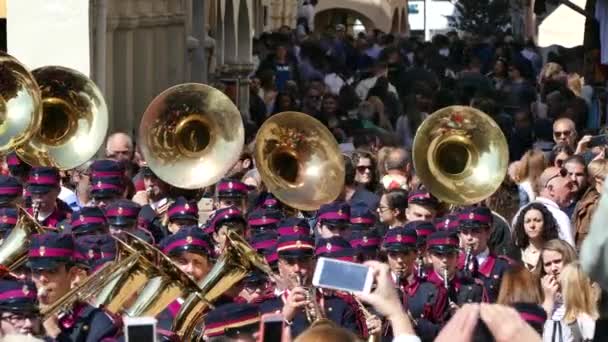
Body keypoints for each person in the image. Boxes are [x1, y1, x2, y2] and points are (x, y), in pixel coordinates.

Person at [258, 234, 360, 337]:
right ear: (280, 268)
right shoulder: (264, 309)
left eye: (303, 261)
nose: (297, 269)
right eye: (290, 263)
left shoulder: (340, 305)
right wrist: (284, 317)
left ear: (314, 264)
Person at [27, 232, 119, 341]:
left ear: (72, 274)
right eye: (36, 271)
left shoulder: (96, 322)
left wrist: (56, 334)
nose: (42, 279)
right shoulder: (19, 315)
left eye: (52, 271)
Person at [457, 207, 512, 302]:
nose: (469, 238)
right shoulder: (454, 264)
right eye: (465, 232)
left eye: (475, 231)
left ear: (488, 232)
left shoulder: (503, 267)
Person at [512, 167, 575, 246]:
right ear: (551, 189)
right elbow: (570, 254)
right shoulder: (559, 217)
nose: (573, 190)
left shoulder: (520, 213)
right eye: (568, 186)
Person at [512, 203, 560, 271]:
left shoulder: (557, 251)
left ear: (546, 223)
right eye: (528, 221)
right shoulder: (517, 254)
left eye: (537, 220)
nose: (532, 225)